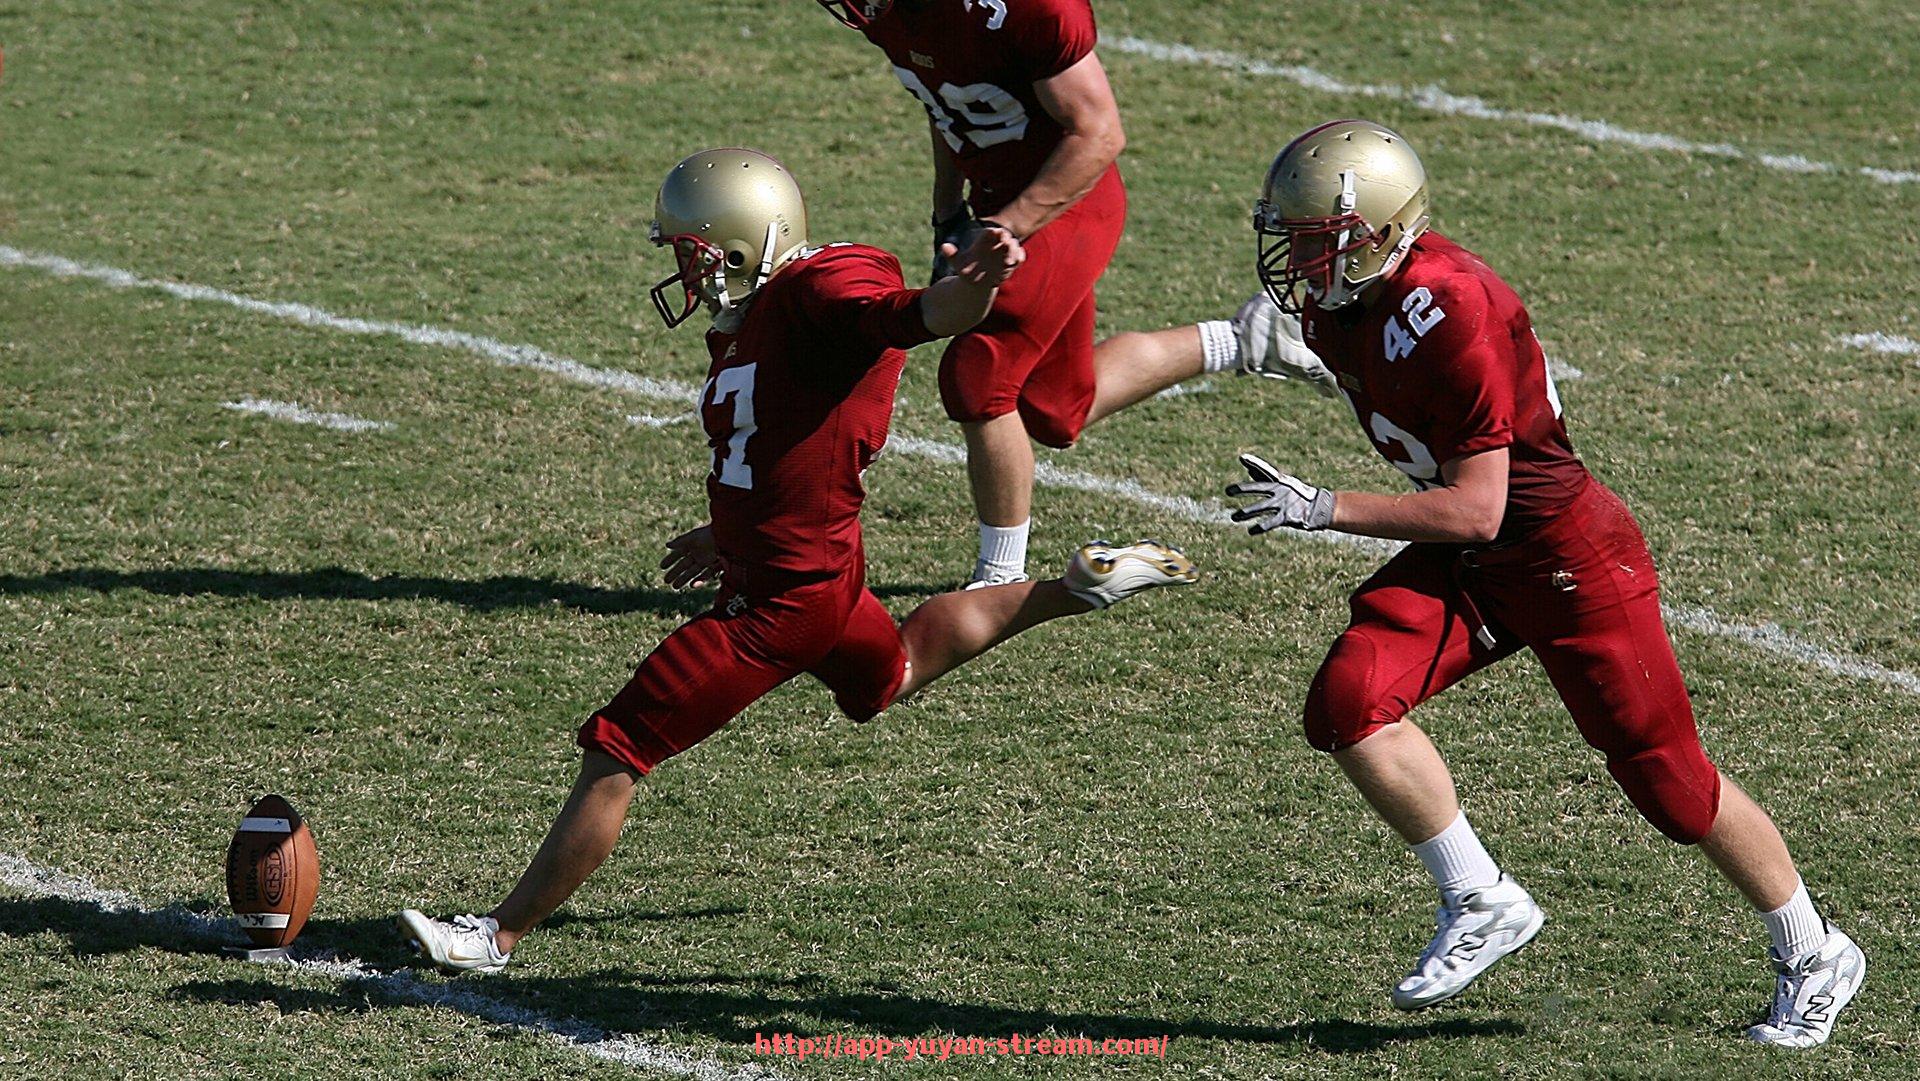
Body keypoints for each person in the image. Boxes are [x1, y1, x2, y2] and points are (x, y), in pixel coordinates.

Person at [398, 148, 1197, 972]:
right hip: (823, 575)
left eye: (694, 251)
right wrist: (731, 528)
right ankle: (1077, 587)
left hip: (776, 607)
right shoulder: (766, 313)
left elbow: (917, 314)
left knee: (620, 744)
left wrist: (975, 286)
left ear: (747, 243)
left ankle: (494, 935)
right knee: (891, 674)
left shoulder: (822, 291)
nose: (684, 268)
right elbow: (787, 434)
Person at [1223, 120, 1863, 1048]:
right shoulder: (1336, 302)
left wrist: (1324, 507)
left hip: (1561, 551)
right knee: (1350, 699)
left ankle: (1816, 949)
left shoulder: (1455, 307)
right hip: (1482, 560)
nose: (1296, 255)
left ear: (1375, 232)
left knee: (1670, 783)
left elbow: (1478, 507)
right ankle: (1480, 896)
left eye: (1315, 236)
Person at [817, 0, 1323, 588]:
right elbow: (948, 105)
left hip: (1067, 206)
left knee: (977, 376)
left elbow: (1099, 132)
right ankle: (1250, 339)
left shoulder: (1026, 10)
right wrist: (949, 211)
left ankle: (999, 577)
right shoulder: (894, 14)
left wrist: (1009, 224)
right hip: (998, 207)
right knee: (1058, 410)